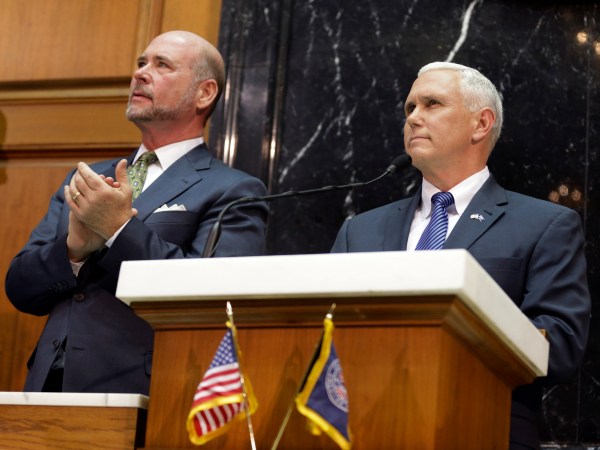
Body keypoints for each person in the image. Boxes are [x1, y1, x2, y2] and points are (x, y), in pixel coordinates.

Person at [331, 62, 590, 449]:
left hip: (483, 428)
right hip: (363, 430)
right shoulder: (360, 230)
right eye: (410, 108)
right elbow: (323, 334)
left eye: (432, 104)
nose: (413, 117)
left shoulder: (544, 225)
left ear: (481, 124)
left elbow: (561, 345)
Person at [5, 31, 268, 395]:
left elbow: (213, 297)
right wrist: (73, 250)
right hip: (47, 387)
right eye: (141, 62)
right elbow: (20, 288)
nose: (140, 73)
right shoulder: (88, 177)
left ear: (204, 93)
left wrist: (118, 229)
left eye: (162, 65)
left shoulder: (234, 190)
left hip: (145, 391)